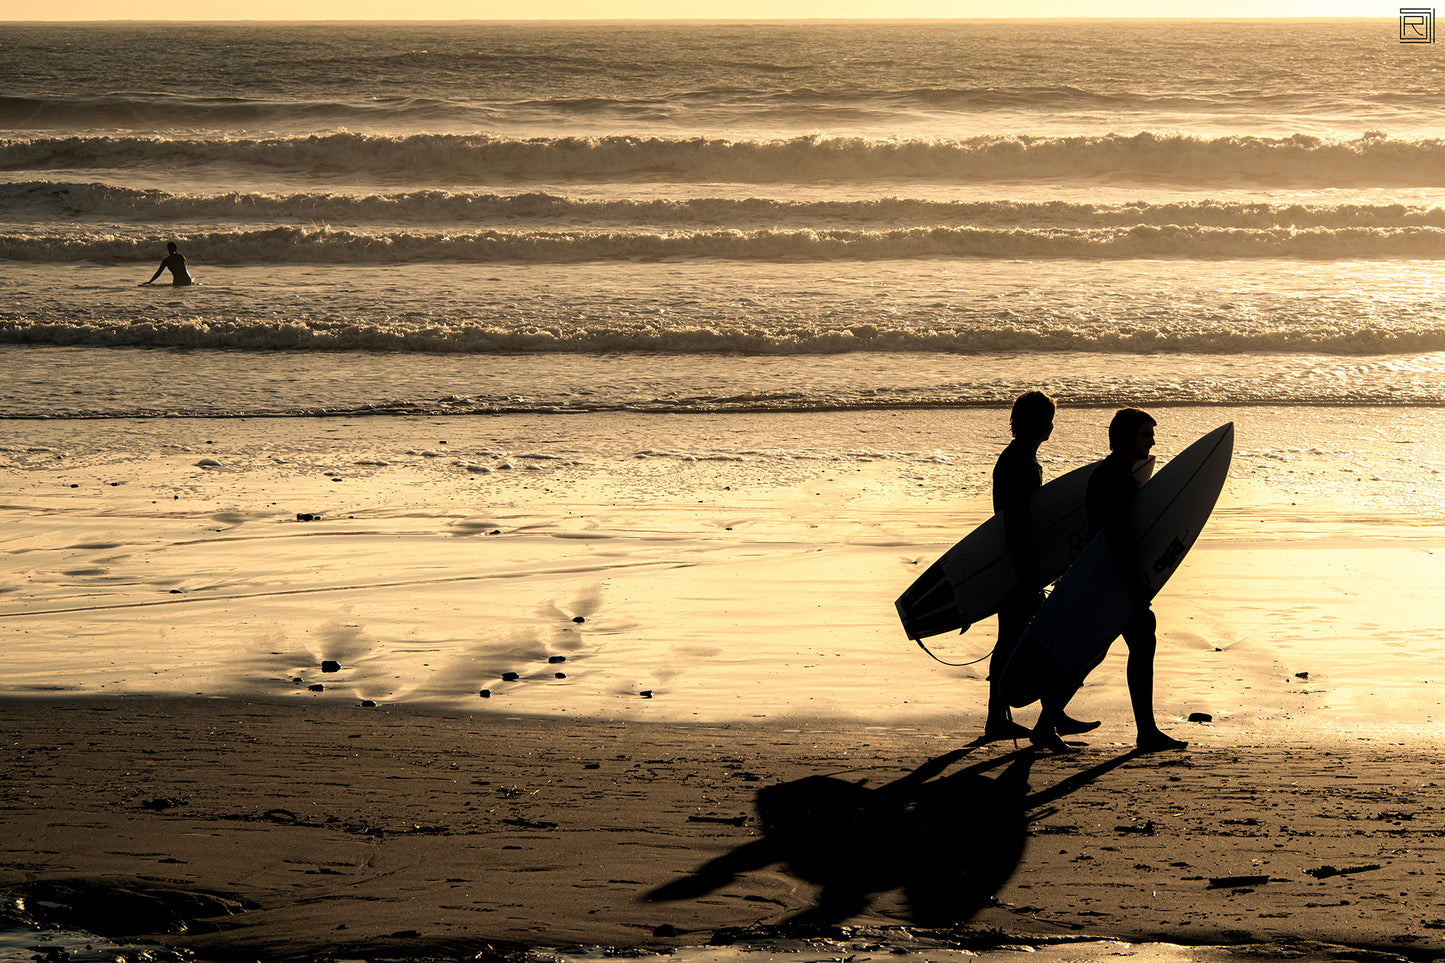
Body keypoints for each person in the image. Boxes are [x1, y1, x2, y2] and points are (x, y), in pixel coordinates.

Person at [986, 391, 1098, 750]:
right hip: (1020, 566)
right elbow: (1019, 525)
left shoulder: (1016, 457)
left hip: (1014, 564)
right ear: (1041, 424)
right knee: (1036, 639)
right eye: (1050, 418)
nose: (1053, 425)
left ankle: (1004, 718)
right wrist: (1031, 574)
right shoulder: (1021, 463)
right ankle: (1032, 717)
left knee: (1012, 639)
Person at [1083, 408, 1187, 753]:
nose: (1152, 441)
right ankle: (1146, 732)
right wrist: (1135, 584)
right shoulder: (1118, 481)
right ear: (1128, 438)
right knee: (1134, 642)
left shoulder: (1113, 474)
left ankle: (1046, 722)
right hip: (1115, 579)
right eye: (1145, 435)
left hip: (1107, 578)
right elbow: (1117, 538)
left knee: (1098, 651)